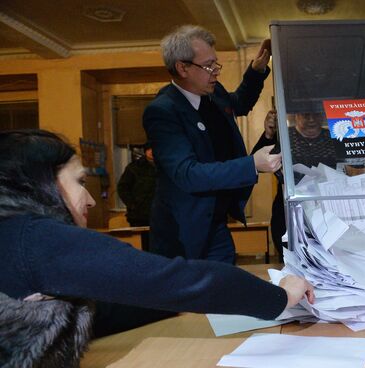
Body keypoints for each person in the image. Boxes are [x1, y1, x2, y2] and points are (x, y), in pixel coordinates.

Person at [0, 130, 314, 366]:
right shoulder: (36, 238)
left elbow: (104, 310)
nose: (91, 199)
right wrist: (281, 296)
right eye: (80, 181)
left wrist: (171, 302)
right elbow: (173, 279)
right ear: (42, 184)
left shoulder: (14, 235)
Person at [143, 25, 281, 263]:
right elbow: (188, 174)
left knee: (223, 286)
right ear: (182, 68)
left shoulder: (213, 92)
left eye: (216, 63)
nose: (216, 72)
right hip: (183, 230)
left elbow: (237, 104)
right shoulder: (163, 112)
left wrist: (257, 71)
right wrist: (251, 165)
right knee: (189, 296)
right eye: (208, 66)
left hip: (216, 220)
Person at [251, 110, 337, 257]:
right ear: (296, 116)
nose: (311, 119)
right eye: (305, 114)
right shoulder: (284, 136)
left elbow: (358, 165)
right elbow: (256, 165)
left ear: (322, 116)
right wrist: (269, 135)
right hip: (289, 211)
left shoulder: (331, 138)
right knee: (293, 259)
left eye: (315, 114)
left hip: (327, 209)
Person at [117, 144, 156, 250]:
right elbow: (122, 188)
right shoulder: (134, 167)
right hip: (138, 216)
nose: (151, 151)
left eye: (154, 148)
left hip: (160, 215)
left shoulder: (166, 167)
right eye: (148, 149)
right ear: (145, 151)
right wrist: (133, 205)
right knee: (140, 247)